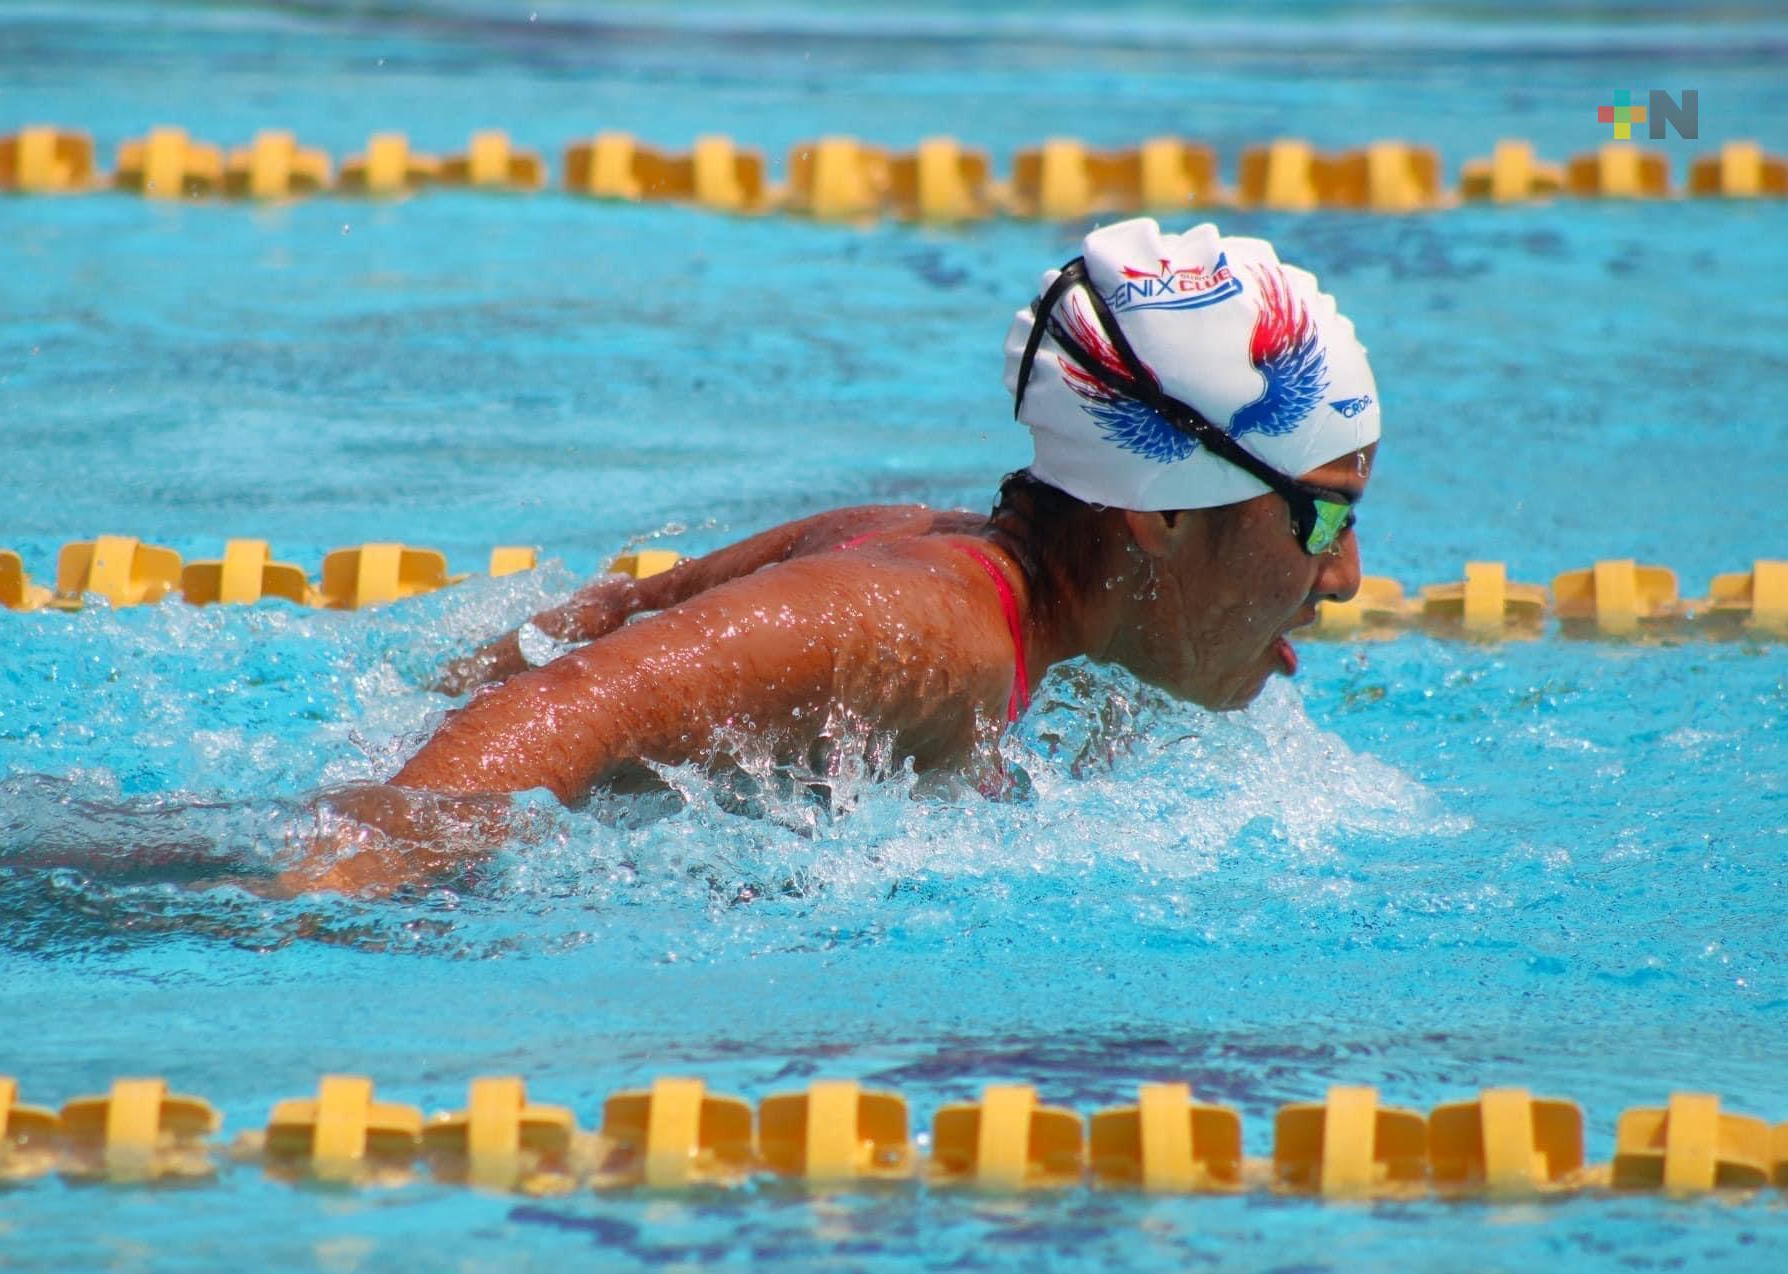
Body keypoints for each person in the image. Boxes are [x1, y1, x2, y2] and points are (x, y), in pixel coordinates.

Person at [287, 218, 1381, 893]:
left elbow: (591, 616)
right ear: (1163, 515)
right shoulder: (917, 628)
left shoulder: (937, 557)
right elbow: (574, 696)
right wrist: (335, 884)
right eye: (1321, 518)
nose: (1342, 576)